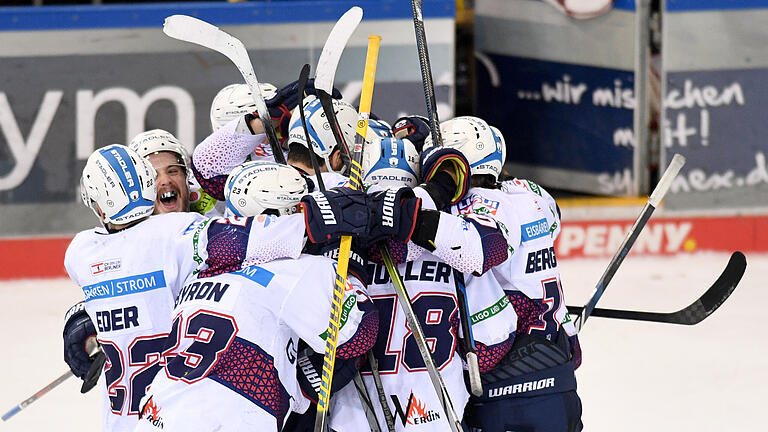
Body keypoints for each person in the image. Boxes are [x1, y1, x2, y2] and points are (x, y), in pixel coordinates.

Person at [61, 145, 388, 431]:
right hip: (211, 404)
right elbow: (245, 239)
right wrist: (324, 221)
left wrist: (91, 316)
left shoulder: (80, 252)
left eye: (172, 170)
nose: (165, 181)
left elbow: (130, 283)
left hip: (140, 417)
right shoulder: (176, 235)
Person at [329, 136, 515, 432]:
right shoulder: (453, 250)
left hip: (355, 419)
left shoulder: (335, 248)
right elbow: (491, 340)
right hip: (437, 418)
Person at [424, 116, 583, 432]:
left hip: (509, 383)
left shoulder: (480, 203)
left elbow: (482, 247)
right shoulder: (532, 193)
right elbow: (552, 222)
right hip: (558, 368)